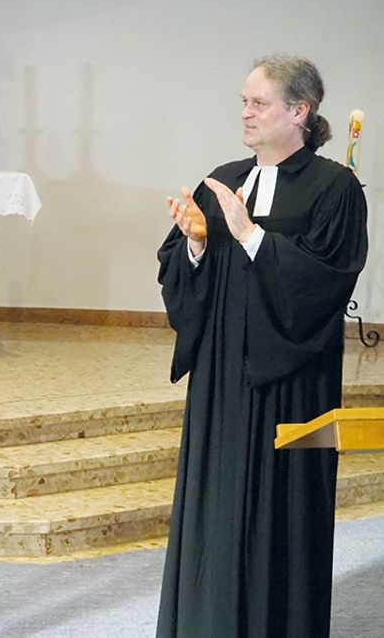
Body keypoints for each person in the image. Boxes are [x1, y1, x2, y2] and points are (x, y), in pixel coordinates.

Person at [156, 54, 367, 637]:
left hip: (293, 386)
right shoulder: (223, 179)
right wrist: (197, 242)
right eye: (243, 101)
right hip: (223, 383)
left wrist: (251, 237)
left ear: (299, 111)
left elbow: (326, 283)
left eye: (258, 103)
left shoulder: (336, 189)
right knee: (218, 514)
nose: (245, 113)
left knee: (284, 520)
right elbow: (178, 270)